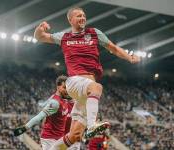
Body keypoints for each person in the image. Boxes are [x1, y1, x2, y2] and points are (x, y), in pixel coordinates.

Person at [34, 7, 141, 149]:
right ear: (70, 20)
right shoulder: (64, 37)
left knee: (75, 135)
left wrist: (129, 58)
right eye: (78, 16)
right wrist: (40, 28)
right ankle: (92, 126)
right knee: (97, 87)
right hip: (74, 82)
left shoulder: (95, 33)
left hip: (85, 91)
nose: (83, 18)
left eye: (84, 15)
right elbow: (39, 37)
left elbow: (113, 48)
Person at [13, 75, 80, 150]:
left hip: (60, 138)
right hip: (50, 138)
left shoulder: (64, 98)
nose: (67, 90)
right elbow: (39, 117)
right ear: (58, 87)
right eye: (64, 87)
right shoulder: (55, 103)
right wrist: (24, 128)